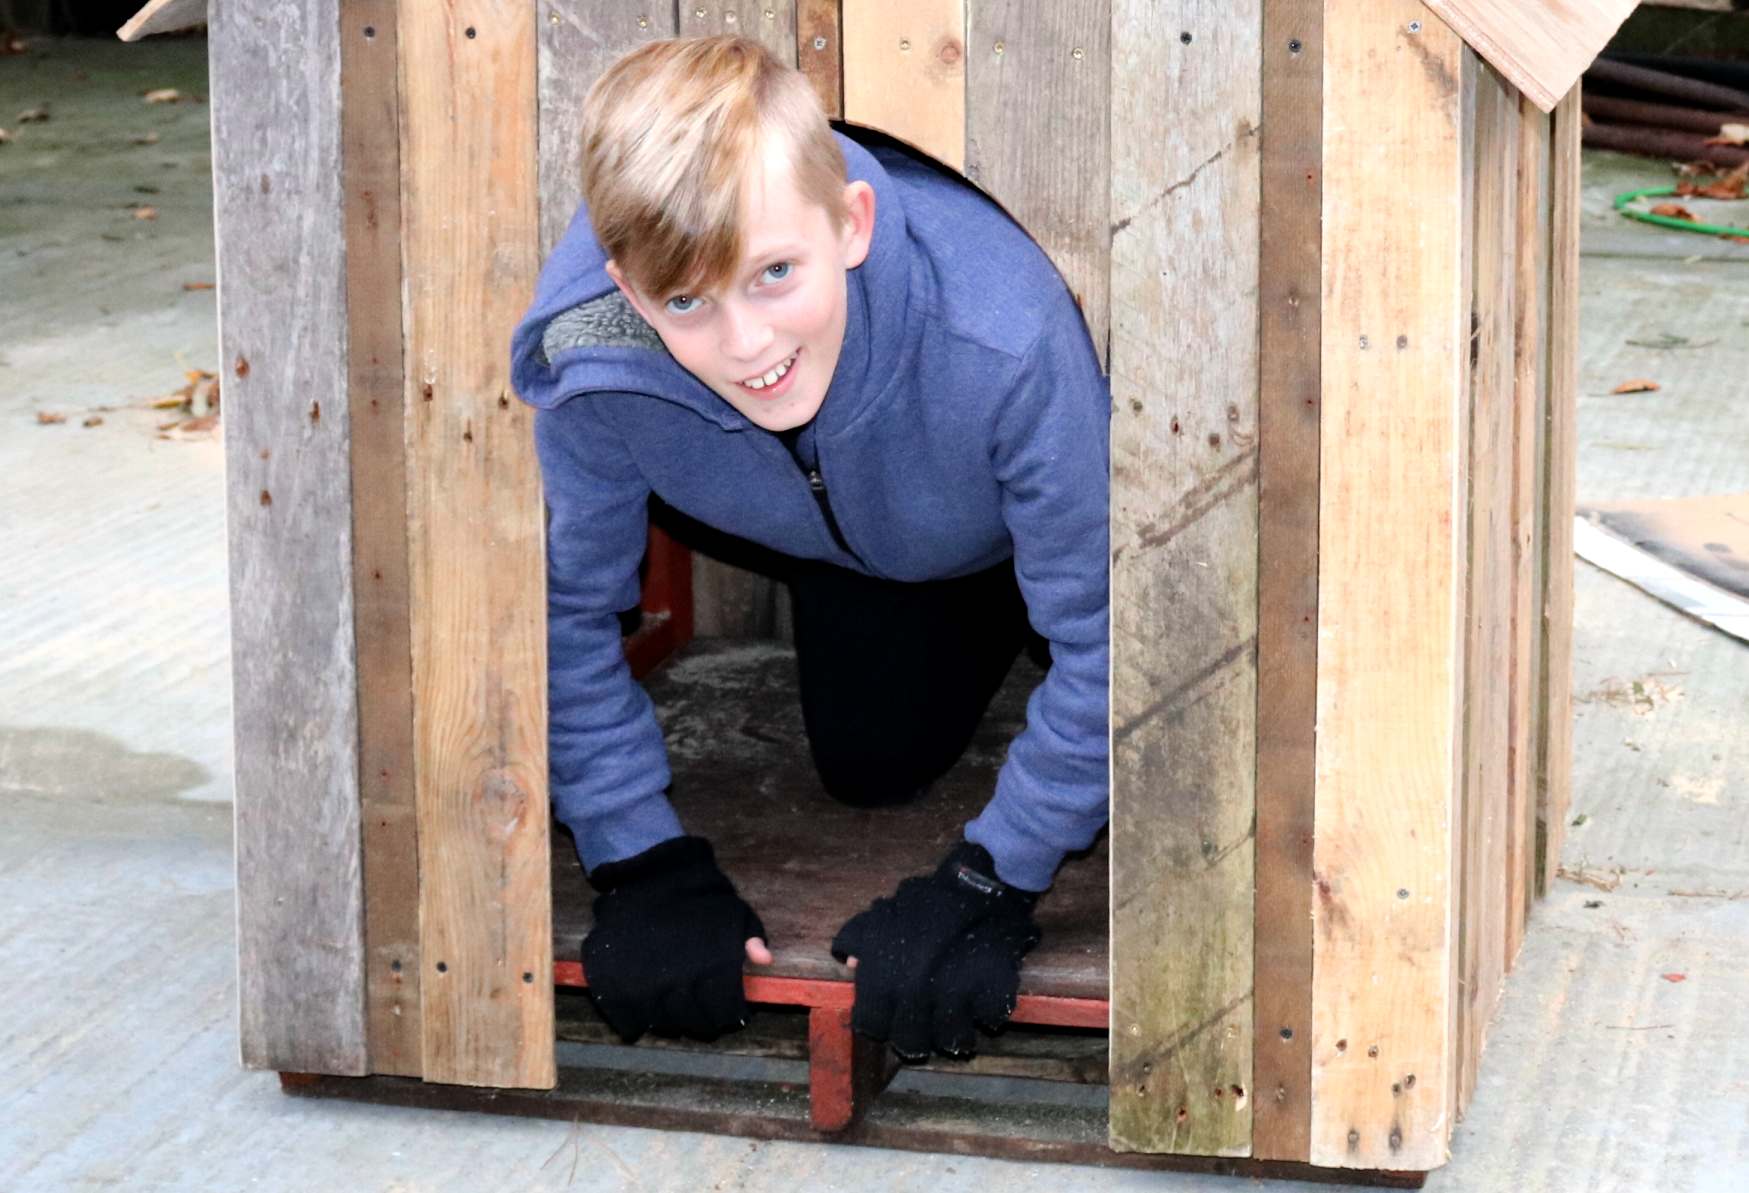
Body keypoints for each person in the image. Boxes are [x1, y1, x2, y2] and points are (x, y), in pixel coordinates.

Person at [509, 36, 1109, 1062]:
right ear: (626, 284)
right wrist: (638, 859)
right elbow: (561, 615)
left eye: (774, 274)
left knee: (1060, 608)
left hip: (982, 497)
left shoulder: (1004, 338)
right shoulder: (593, 358)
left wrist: (992, 878)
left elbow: (1114, 634)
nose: (747, 345)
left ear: (853, 223)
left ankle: (1011, 588)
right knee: (871, 765)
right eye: (686, 301)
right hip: (832, 538)